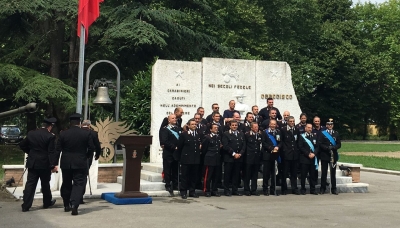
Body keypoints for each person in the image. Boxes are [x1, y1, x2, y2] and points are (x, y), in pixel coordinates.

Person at [56, 113, 95, 215]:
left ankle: (66, 205)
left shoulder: (63, 134)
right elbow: (91, 148)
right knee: (78, 184)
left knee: (66, 183)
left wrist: (54, 163)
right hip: (80, 162)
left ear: (70, 123)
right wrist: (86, 156)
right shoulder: (86, 134)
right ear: (80, 122)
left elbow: (57, 149)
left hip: (66, 163)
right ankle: (75, 205)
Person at [19, 117, 58, 212]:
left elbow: (22, 144)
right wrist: (53, 165)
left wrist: (30, 152)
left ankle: (26, 205)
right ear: (50, 126)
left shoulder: (31, 133)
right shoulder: (50, 136)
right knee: (45, 184)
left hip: (33, 163)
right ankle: (47, 202)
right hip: (44, 163)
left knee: (30, 184)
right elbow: (51, 152)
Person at [175, 119, 201, 199]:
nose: (194, 126)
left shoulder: (197, 134)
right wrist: (179, 158)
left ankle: (192, 191)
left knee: (193, 176)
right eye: (192, 124)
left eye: (195, 124)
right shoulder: (184, 134)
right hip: (186, 159)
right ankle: (183, 192)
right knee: (185, 176)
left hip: (195, 159)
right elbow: (179, 147)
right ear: (188, 126)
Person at [222, 120, 246, 196]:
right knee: (227, 174)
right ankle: (226, 190)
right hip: (229, 158)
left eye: (236, 125)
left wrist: (240, 154)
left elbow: (244, 145)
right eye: (233, 125)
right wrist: (234, 154)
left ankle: (235, 190)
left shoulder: (241, 133)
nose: (234, 126)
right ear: (230, 126)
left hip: (239, 157)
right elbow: (225, 146)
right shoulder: (226, 134)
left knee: (236, 175)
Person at [80, 120, 102, 203]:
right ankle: (80, 196)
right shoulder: (93, 133)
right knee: (83, 175)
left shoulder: (77, 132)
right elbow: (97, 145)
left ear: (82, 125)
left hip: (76, 156)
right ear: (89, 126)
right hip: (88, 157)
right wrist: (97, 154)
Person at [318, 119, 341, 195]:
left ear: (333, 125)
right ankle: (322, 188)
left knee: (333, 173)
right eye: (328, 124)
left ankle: (334, 188)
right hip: (325, 155)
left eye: (331, 124)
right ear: (326, 125)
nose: (330, 126)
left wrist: (334, 148)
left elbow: (339, 144)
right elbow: (320, 143)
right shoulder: (322, 133)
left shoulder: (336, 133)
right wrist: (327, 148)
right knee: (324, 173)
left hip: (333, 155)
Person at [159, 114, 181, 195]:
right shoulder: (165, 129)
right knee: (167, 170)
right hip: (168, 153)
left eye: (175, 118)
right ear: (169, 120)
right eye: (173, 118)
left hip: (176, 153)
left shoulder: (178, 128)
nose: (175, 119)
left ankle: (175, 184)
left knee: (175, 170)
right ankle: (168, 185)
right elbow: (164, 141)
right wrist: (173, 147)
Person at [261, 119, 282, 196]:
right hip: (267, 155)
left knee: (274, 174)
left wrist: (278, 147)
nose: (273, 126)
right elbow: (263, 143)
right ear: (269, 124)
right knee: (266, 174)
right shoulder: (265, 132)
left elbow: (280, 142)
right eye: (272, 124)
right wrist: (271, 148)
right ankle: (265, 189)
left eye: (274, 124)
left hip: (275, 155)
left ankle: (273, 189)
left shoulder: (278, 132)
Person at [280, 116, 300, 195]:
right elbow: (282, 141)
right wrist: (285, 151)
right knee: (284, 173)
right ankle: (284, 189)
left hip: (294, 155)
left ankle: (294, 188)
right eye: (290, 121)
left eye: (293, 121)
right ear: (287, 122)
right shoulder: (283, 130)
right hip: (286, 155)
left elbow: (297, 141)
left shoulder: (296, 130)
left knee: (294, 173)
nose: (292, 123)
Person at [298, 123, 319, 195]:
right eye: (308, 127)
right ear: (305, 128)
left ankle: (312, 189)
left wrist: (314, 153)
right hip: (305, 158)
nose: (310, 129)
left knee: (312, 175)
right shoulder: (301, 136)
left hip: (313, 158)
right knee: (303, 175)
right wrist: (308, 154)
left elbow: (317, 147)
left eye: (311, 128)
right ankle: (303, 189)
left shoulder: (314, 136)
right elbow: (300, 147)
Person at [202, 123, 222, 197]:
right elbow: (204, 149)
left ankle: (214, 190)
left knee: (216, 176)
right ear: (210, 129)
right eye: (214, 128)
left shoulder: (218, 137)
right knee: (208, 176)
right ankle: (206, 190)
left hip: (217, 159)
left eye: (217, 127)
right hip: (209, 159)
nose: (216, 129)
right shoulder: (207, 137)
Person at [243, 122, 262, 196]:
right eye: (255, 127)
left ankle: (254, 189)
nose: (256, 128)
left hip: (256, 157)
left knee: (255, 175)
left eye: (257, 127)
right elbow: (245, 145)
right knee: (247, 174)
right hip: (249, 157)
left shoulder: (259, 135)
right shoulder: (247, 135)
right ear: (251, 128)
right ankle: (247, 189)